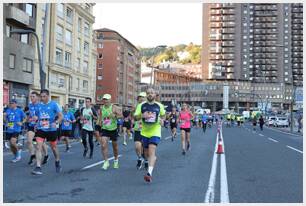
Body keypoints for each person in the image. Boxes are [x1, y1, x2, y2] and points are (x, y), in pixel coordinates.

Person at [134, 88, 165, 183]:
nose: (150, 94)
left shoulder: (159, 106)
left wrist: (162, 120)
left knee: (152, 150)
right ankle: (151, 159)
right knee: (147, 153)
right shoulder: (141, 105)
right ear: (146, 95)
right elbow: (135, 117)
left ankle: (149, 174)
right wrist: (142, 116)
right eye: (148, 93)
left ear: (155, 94)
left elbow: (164, 115)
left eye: (152, 92)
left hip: (155, 131)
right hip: (144, 132)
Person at [32, 89, 63, 175]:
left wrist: (56, 122)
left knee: (53, 147)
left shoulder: (54, 104)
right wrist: (35, 121)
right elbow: (37, 116)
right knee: (38, 146)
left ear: (48, 96)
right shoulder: (38, 105)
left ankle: (57, 160)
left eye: (44, 96)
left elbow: (61, 116)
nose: (42, 98)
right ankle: (38, 167)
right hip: (41, 129)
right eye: (41, 96)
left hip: (51, 129)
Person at [99, 94, 122, 170]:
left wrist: (114, 116)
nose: (105, 101)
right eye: (104, 99)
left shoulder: (114, 107)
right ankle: (106, 161)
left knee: (114, 147)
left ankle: (116, 160)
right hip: (105, 128)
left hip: (113, 129)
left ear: (110, 100)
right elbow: (101, 117)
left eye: (107, 99)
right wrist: (99, 123)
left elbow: (121, 116)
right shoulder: (102, 108)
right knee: (103, 144)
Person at [27, 91, 49, 166]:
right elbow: (30, 114)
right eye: (31, 96)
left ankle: (46, 155)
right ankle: (33, 156)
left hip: (39, 126)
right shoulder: (30, 105)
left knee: (41, 143)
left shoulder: (41, 105)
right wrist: (29, 118)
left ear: (37, 97)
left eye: (33, 96)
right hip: (31, 125)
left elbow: (45, 116)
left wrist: (38, 118)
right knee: (29, 141)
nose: (32, 98)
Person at [133, 92, 147, 170]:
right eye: (140, 97)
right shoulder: (137, 107)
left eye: (143, 97)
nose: (141, 98)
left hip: (147, 129)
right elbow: (134, 117)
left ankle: (146, 160)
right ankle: (140, 158)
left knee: (145, 147)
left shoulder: (149, 107)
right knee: (137, 146)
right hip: (138, 128)